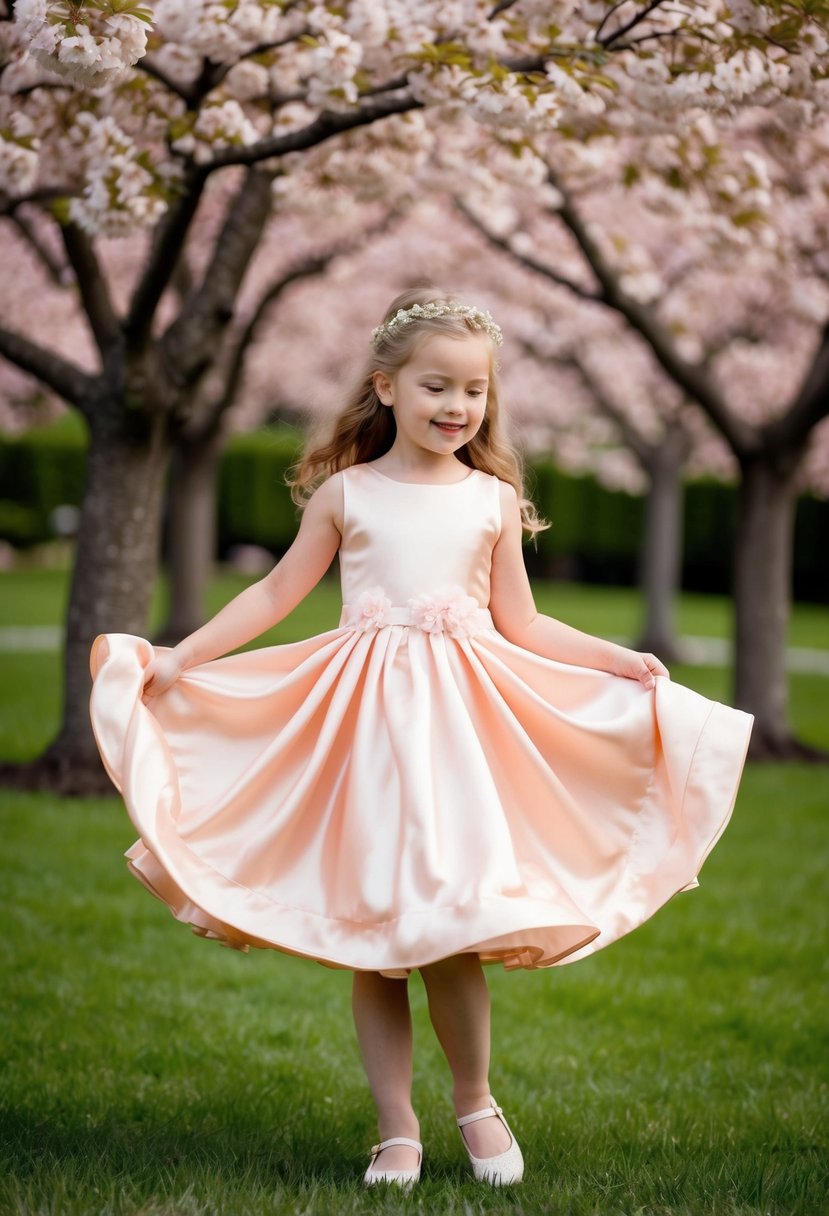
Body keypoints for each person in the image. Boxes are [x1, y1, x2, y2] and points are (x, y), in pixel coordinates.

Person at [89, 286, 753, 1190]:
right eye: (435, 386)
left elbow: (522, 623)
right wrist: (183, 655)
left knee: (451, 928)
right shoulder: (346, 495)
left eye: (473, 391)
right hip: (365, 731)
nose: (456, 407)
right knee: (380, 936)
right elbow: (274, 595)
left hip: (461, 736)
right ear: (386, 387)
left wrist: (613, 658)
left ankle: (475, 1103)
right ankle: (394, 1128)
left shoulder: (490, 500)